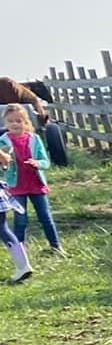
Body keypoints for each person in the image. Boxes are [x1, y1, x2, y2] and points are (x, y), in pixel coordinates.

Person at [2, 104, 58, 258]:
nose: (15, 124)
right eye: (11, 121)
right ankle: (20, 253)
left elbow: (45, 161)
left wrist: (38, 164)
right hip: (16, 186)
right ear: (5, 123)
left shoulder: (34, 139)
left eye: (19, 121)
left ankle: (56, 247)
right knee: (20, 220)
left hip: (36, 184)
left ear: (26, 123)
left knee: (46, 217)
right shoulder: (2, 142)